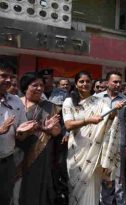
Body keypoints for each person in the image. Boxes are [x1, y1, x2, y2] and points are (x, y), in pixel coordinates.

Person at [62, 71, 122, 205]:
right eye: (81, 81)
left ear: (92, 83)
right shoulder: (69, 101)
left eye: (88, 81)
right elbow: (68, 124)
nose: (85, 84)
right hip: (77, 151)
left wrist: (115, 110)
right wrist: (88, 120)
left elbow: (110, 117)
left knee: (92, 188)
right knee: (75, 189)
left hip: (94, 152)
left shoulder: (98, 101)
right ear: (76, 84)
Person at [17, 72, 62, 205]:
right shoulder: (16, 103)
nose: (39, 88)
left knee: (36, 186)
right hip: (17, 149)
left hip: (40, 152)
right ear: (25, 87)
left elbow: (57, 132)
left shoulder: (50, 107)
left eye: (41, 85)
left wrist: (48, 129)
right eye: (34, 85)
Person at [0, 63, 35, 204]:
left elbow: (21, 130)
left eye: (11, 77)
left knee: (5, 198)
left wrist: (24, 132)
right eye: (3, 76)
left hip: (7, 162)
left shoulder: (15, 100)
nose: (8, 80)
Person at [96, 71, 126, 205]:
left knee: (118, 176)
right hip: (100, 142)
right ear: (107, 83)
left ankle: (121, 202)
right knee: (103, 174)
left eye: (120, 82)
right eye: (115, 82)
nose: (118, 84)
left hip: (119, 143)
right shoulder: (96, 98)